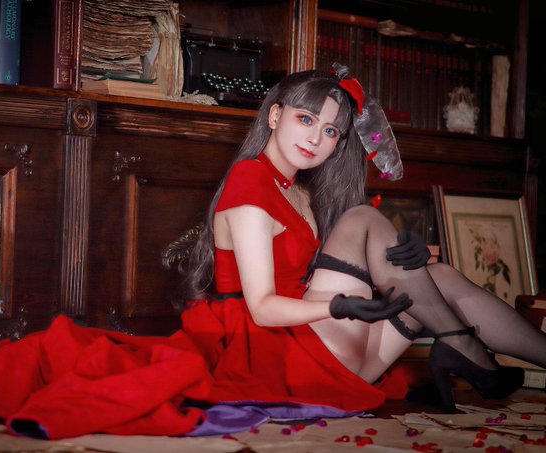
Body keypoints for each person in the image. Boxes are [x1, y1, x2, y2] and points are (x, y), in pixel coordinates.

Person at [181, 65, 546, 414]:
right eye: (306, 119)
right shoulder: (250, 179)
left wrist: (412, 257)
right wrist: (338, 307)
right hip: (278, 355)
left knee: (441, 277)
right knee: (362, 217)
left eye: (330, 131)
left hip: (329, 349)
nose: (314, 139)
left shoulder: (300, 191)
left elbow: (329, 272)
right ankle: (464, 348)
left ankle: (477, 353)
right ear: (275, 116)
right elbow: (262, 308)